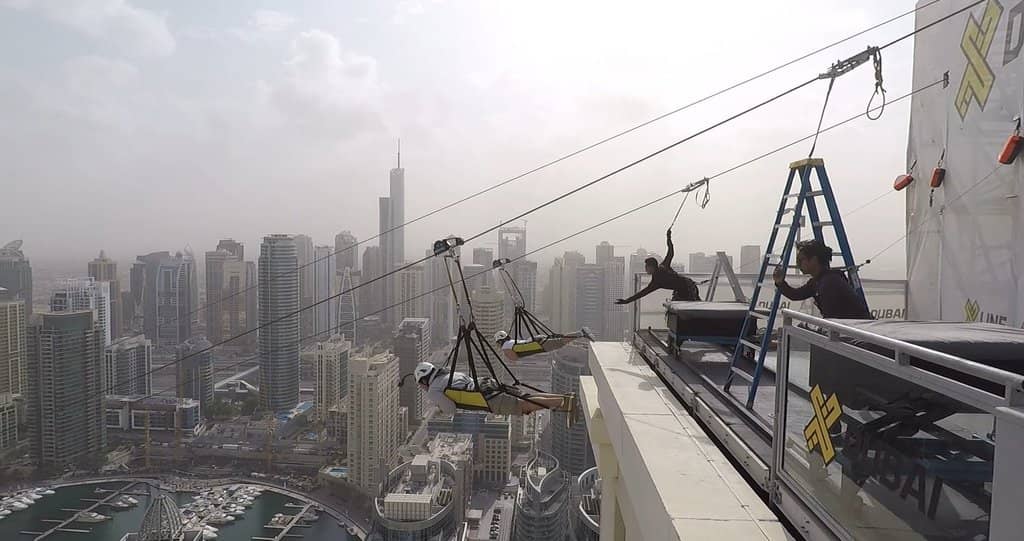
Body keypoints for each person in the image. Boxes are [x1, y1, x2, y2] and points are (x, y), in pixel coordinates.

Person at [414, 362, 579, 424]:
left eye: (421, 385)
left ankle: (564, 403)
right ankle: (565, 399)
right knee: (526, 398)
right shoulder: (448, 373)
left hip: (487, 399)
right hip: (488, 385)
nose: (422, 388)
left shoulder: (434, 390)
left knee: (525, 406)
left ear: (423, 380)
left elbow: (450, 409)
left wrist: (439, 407)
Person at [773, 239, 872, 319]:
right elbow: (796, 295)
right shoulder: (820, 280)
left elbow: (832, 319)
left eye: (801, 260)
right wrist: (780, 282)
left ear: (814, 260)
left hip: (854, 333)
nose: (798, 264)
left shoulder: (829, 283)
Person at [615, 229, 700, 305]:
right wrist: (668, 238)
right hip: (687, 285)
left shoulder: (656, 280)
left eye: (646, 267)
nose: (645, 269)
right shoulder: (663, 266)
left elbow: (642, 293)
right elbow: (671, 252)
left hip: (687, 288)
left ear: (651, 267)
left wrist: (627, 301)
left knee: (691, 306)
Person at [494, 328, 594, 361]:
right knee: (560, 340)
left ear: (500, 341)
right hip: (537, 341)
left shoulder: (505, 347)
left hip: (539, 345)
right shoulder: (510, 342)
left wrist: (508, 356)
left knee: (561, 342)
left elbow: (514, 358)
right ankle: (580, 333)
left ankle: (581, 333)